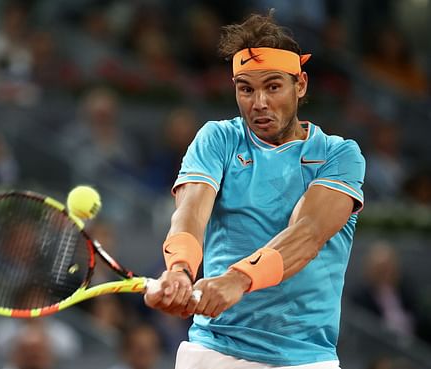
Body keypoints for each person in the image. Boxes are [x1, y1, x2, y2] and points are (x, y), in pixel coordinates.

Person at [144, 12, 365, 369]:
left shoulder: (339, 154)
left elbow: (306, 234)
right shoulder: (218, 138)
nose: (258, 102)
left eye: (273, 86)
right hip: (214, 352)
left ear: (301, 85)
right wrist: (181, 271)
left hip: (305, 360)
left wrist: (238, 279)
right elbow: (189, 215)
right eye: (246, 88)